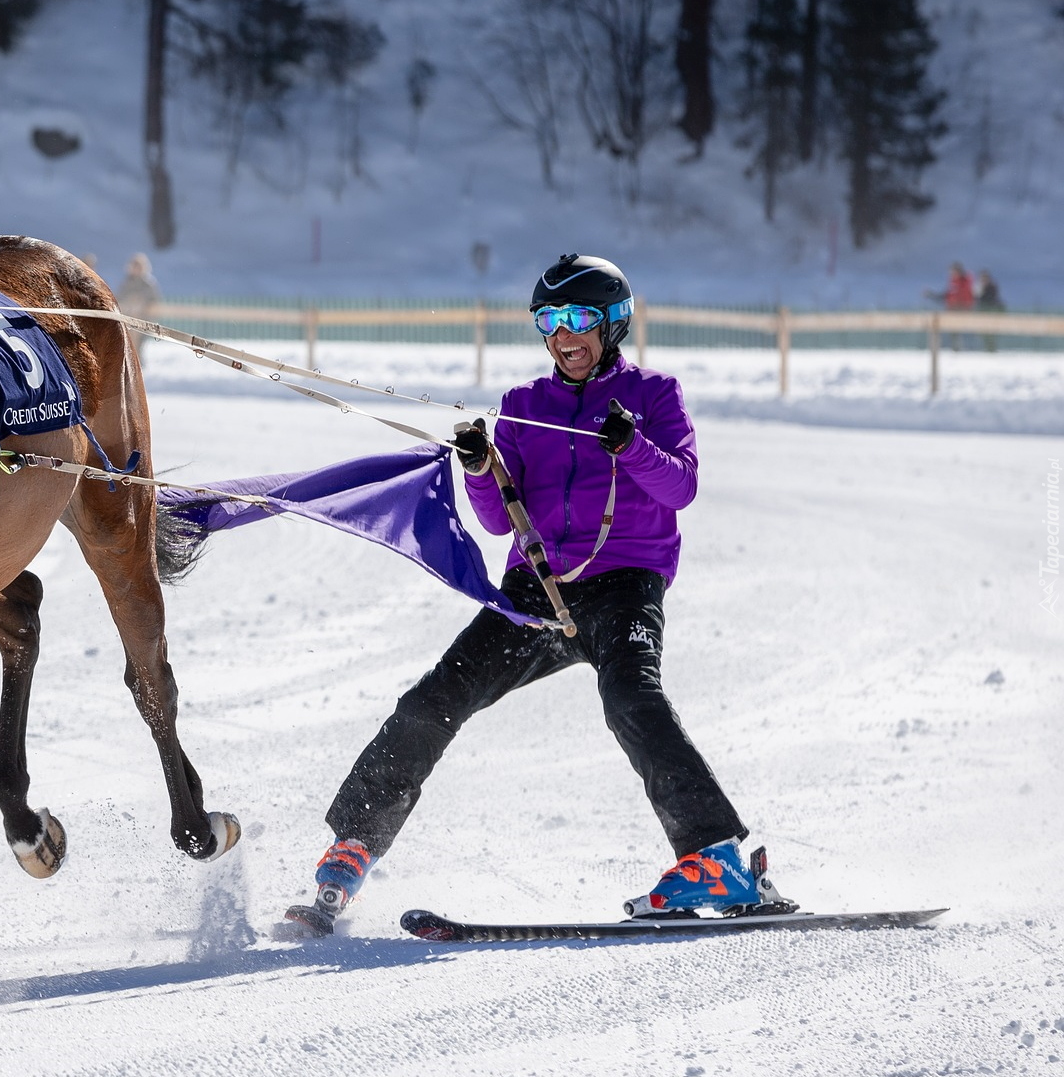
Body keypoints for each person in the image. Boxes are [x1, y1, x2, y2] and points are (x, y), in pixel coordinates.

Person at [284, 254, 792, 937]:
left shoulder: (655, 394)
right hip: (537, 591)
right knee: (435, 700)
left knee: (632, 701)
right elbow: (498, 519)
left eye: (579, 319)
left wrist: (632, 446)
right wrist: (479, 469)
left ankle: (717, 858)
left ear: (613, 324)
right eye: (549, 321)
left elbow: (681, 488)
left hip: (623, 588)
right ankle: (353, 845)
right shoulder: (524, 408)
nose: (563, 335)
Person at [116, 253, 160, 321]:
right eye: (134, 266)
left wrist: (142, 305)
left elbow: (154, 301)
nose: (136, 269)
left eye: (138, 267)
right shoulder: (127, 283)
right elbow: (119, 298)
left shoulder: (148, 283)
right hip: (128, 319)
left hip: (145, 320)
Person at [974, 270, 1005, 352]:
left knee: (991, 332)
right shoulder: (979, 288)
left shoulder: (992, 287)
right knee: (983, 332)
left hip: (990, 313)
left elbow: (990, 300)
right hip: (983, 313)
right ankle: (987, 347)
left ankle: (991, 348)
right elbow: (977, 299)